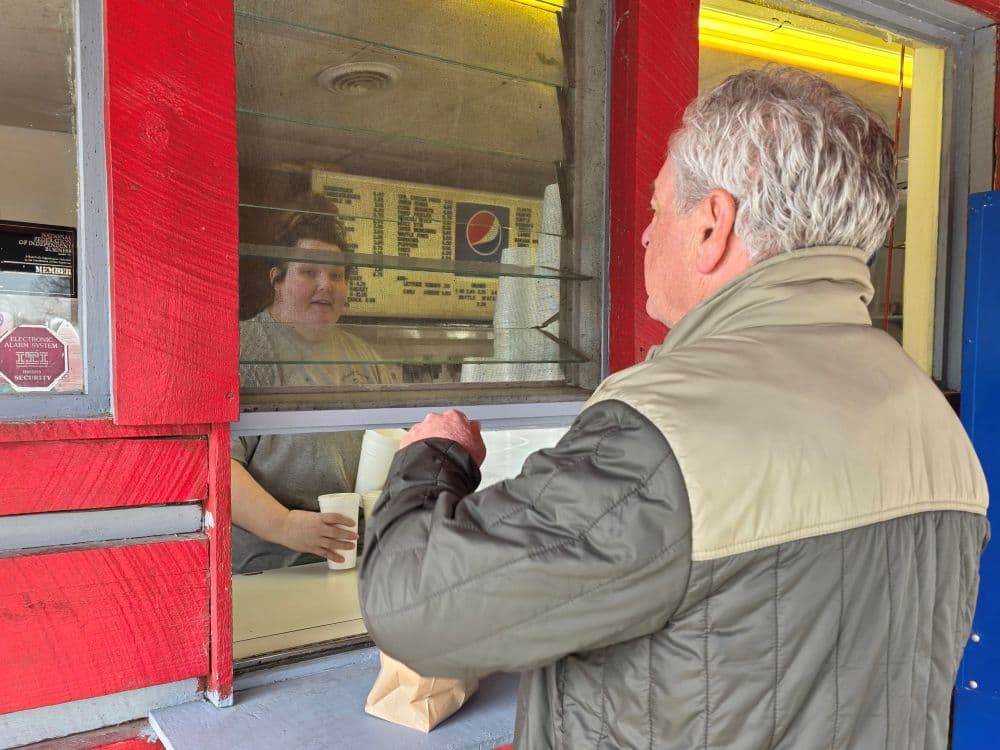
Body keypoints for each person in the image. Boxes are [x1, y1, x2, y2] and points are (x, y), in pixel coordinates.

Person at [357, 66, 990, 749]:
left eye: (658, 209)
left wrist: (433, 456)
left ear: (714, 225)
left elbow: (414, 606)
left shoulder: (668, 434)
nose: (645, 236)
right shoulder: (935, 421)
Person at [232, 196, 401, 574]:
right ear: (277, 280)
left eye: (336, 275)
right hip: (266, 569)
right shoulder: (243, 350)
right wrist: (286, 525)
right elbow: (218, 467)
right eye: (309, 271)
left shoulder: (364, 357)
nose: (325, 285)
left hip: (353, 562)